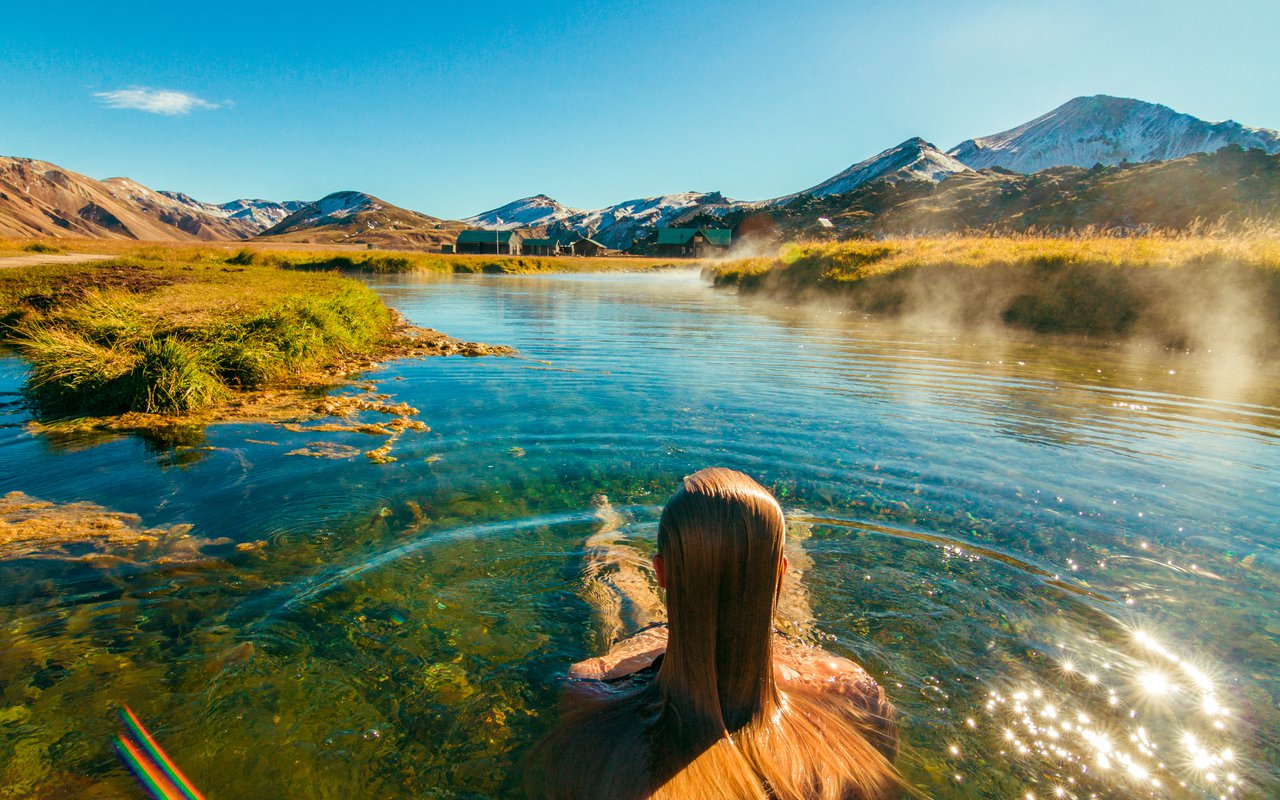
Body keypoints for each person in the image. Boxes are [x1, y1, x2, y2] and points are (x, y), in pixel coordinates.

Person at [526, 468, 903, 799]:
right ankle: (797, 531)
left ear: (661, 572)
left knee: (612, 573)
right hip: (781, 642)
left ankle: (605, 524)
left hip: (655, 640)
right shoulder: (852, 689)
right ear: (780, 574)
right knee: (787, 608)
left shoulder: (591, 685)